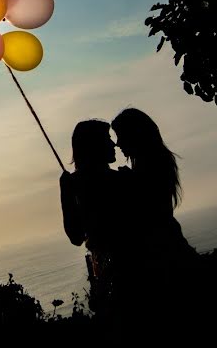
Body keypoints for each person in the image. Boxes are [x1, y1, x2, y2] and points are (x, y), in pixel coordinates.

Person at [110, 108, 197, 316]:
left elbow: (151, 209)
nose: (117, 143)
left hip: (164, 256)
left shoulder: (151, 165)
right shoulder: (155, 161)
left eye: (121, 136)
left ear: (135, 135)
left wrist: (129, 183)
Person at [60, 119, 123, 316]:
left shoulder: (76, 185)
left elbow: (75, 237)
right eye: (107, 139)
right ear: (93, 147)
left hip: (109, 277)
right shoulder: (121, 181)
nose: (113, 144)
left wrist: (67, 195)